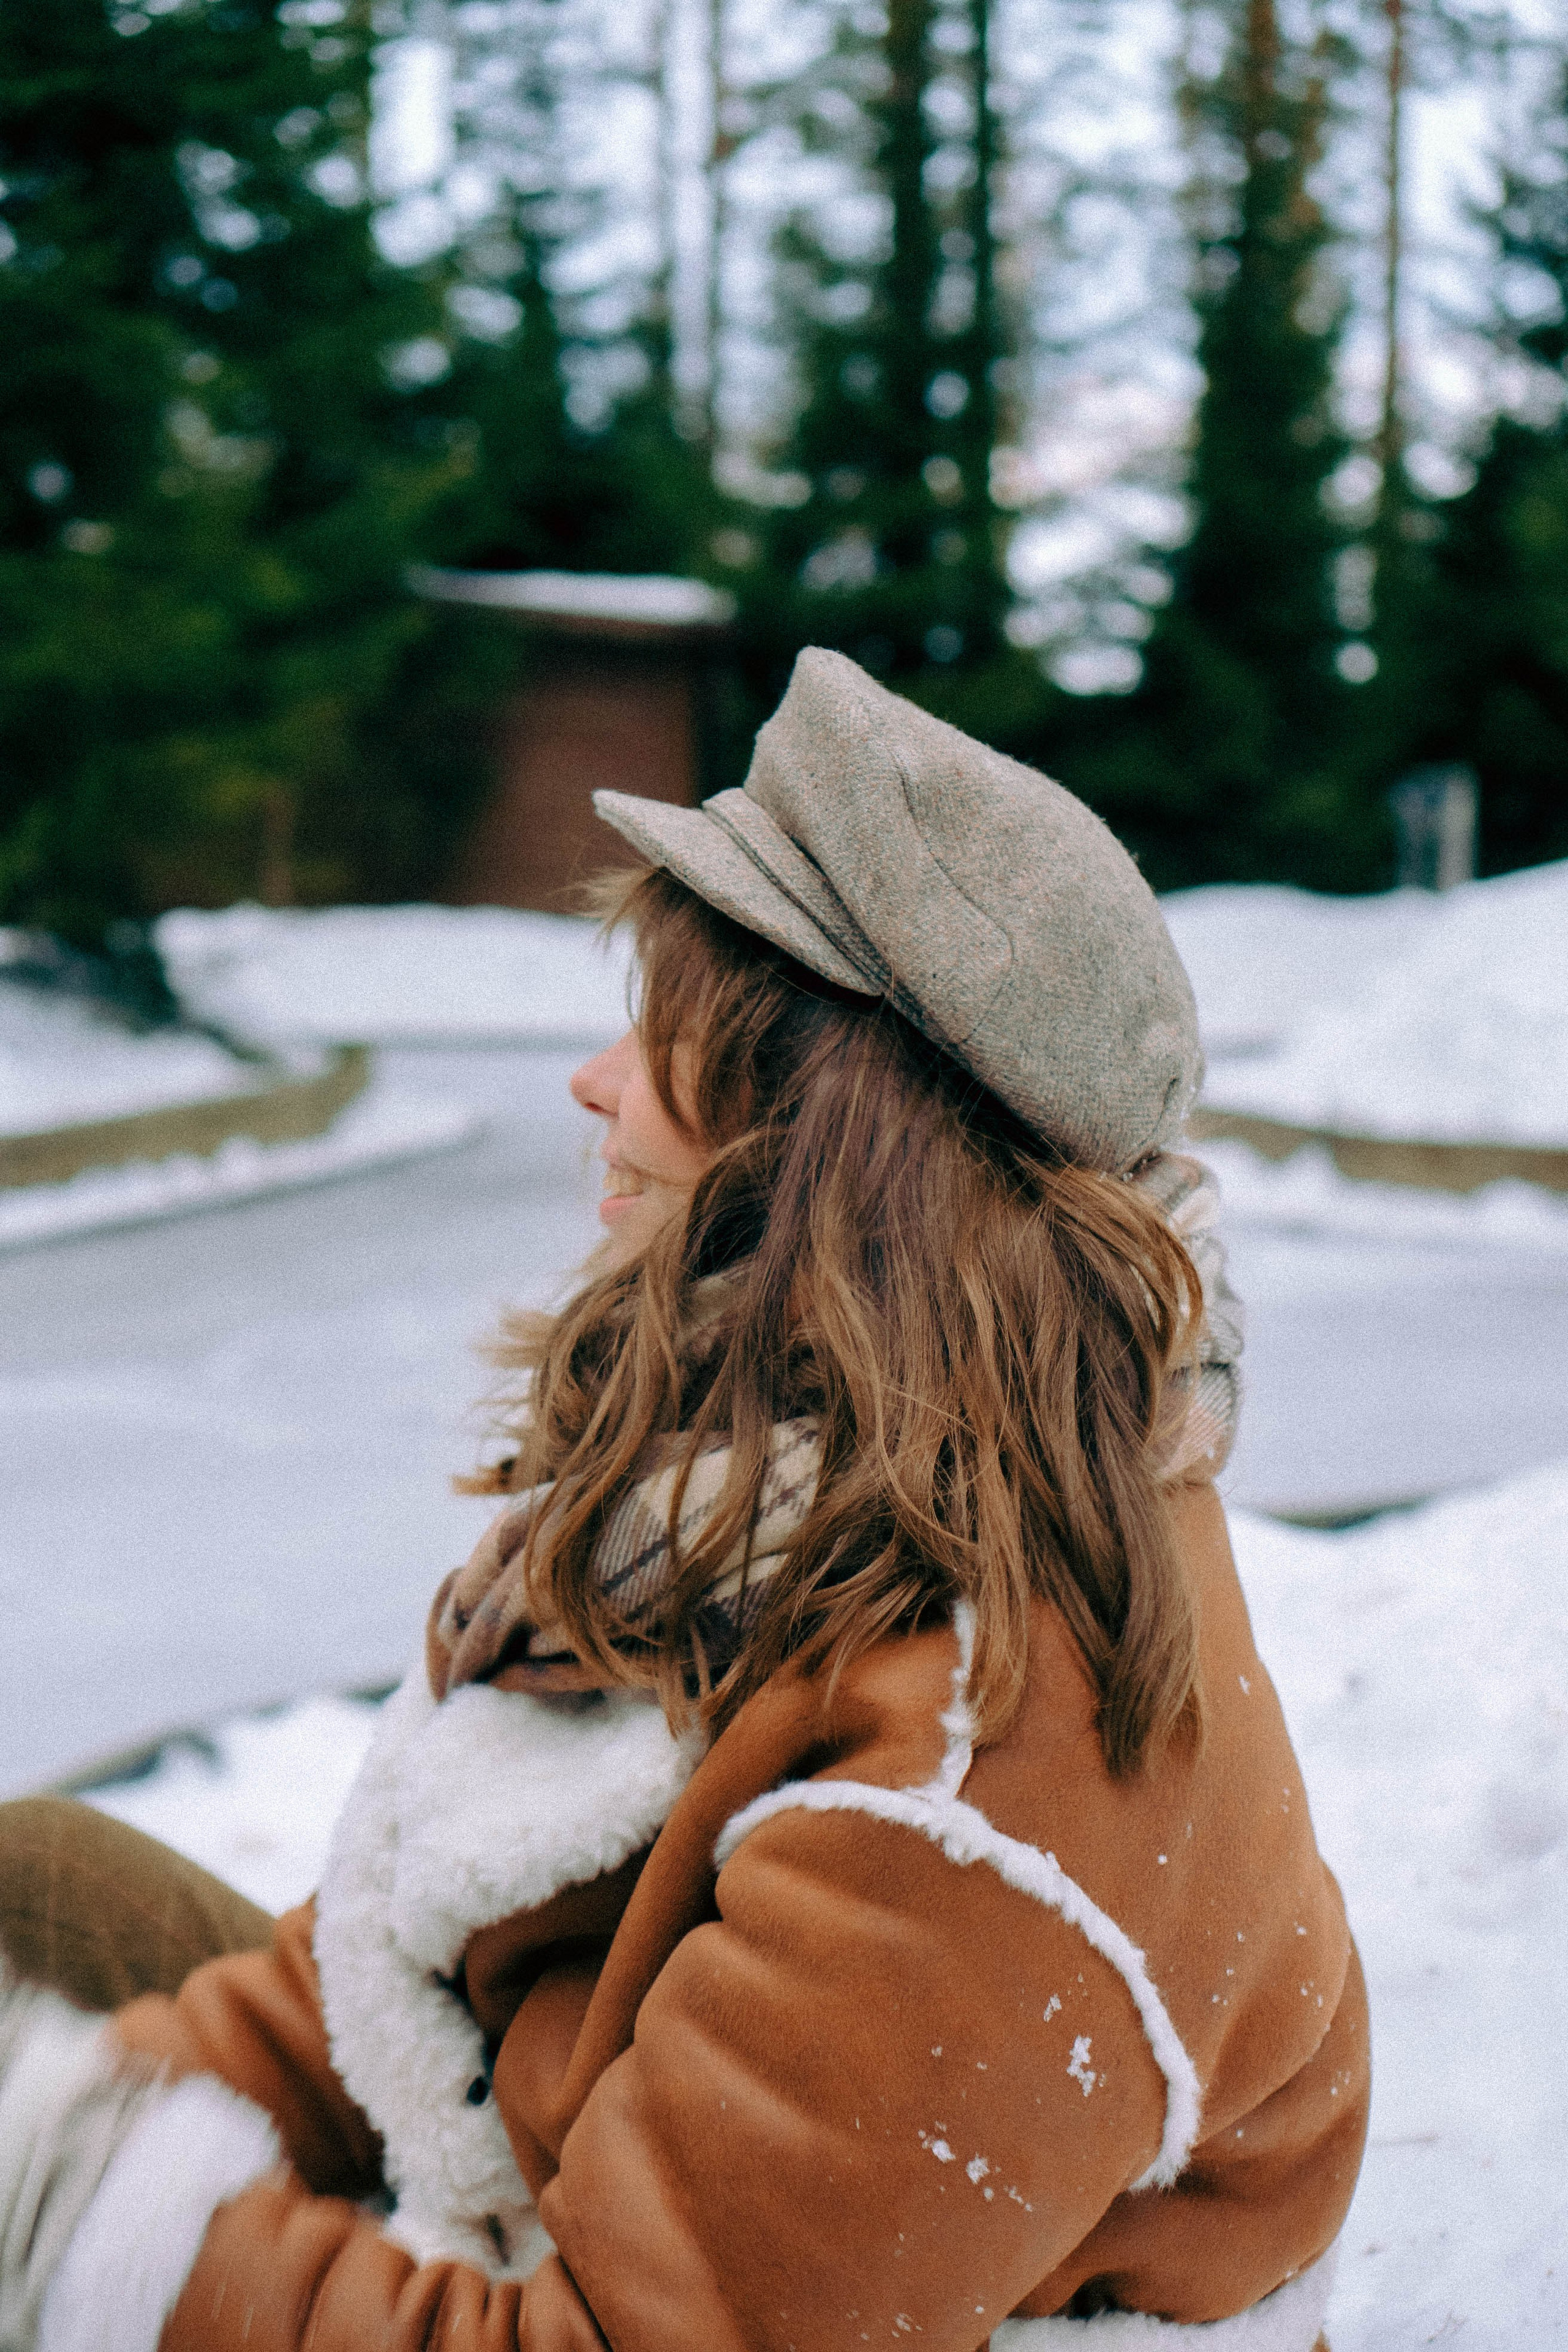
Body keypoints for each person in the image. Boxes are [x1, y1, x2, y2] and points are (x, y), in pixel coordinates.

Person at [0, 649, 1366, 2352]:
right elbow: (413, 1942)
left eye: (659, 1032)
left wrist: (88, 2221)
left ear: (823, 1144)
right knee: (39, 1885)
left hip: (620, 2295)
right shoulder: (790, 1482)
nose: (593, 1082)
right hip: (558, 2153)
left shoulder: (985, 1796)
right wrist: (78, 2135)